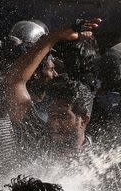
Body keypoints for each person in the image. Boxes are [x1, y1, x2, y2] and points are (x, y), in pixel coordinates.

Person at [5, 19, 101, 156]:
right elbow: (14, 81)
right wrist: (54, 37)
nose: (55, 124)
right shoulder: (38, 141)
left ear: (84, 120)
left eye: (63, 116)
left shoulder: (100, 163)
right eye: (52, 116)